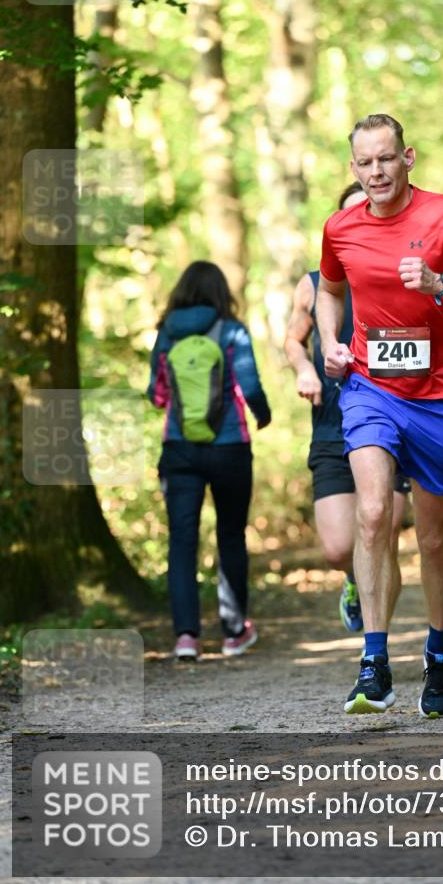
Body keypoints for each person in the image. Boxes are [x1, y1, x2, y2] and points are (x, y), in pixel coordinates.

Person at [316, 114, 443, 717]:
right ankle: (373, 662)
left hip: (438, 397)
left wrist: (439, 283)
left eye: (386, 159)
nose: (376, 172)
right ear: (353, 168)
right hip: (370, 387)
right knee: (372, 512)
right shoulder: (339, 228)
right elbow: (328, 291)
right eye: (365, 163)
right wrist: (329, 344)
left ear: (408, 158)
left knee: (431, 535)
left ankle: (440, 650)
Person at [284, 182, 410, 633]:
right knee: (340, 548)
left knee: (385, 536)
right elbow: (293, 341)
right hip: (332, 425)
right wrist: (304, 369)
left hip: (393, 422)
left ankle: (377, 646)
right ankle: (356, 579)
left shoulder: (402, 272)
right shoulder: (315, 283)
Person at [148, 261, 271, 660]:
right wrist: (263, 413)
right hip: (230, 446)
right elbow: (248, 383)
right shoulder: (232, 329)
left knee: (182, 541)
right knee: (231, 535)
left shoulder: (166, 332)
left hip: (179, 449)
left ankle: (186, 637)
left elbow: (156, 393)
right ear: (221, 292)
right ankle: (234, 631)